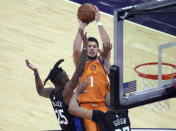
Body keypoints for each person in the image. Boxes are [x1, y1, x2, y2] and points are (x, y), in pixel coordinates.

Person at [26, 29, 88, 131]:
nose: (69, 80)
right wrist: (84, 47)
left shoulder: (52, 93)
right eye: (67, 78)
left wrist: (36, 72)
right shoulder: (66, 91)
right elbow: (79, 71)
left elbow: (40, 90)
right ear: (63, 81)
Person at [73, 5, 112, 131]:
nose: (91, 48)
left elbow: (107, 44)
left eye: (94, 46)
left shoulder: (103, 62)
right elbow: (76, 49)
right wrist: (82, 27)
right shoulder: (81, 63)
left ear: (98, 49)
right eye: (89, 46)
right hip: (86, 108)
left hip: (103, 106)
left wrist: (98, 21)